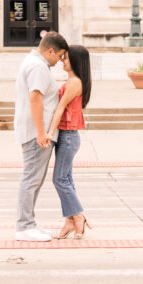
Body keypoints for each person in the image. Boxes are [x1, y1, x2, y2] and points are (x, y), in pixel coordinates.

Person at [13, 31, 69, 241]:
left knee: (34, 179)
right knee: (31, 178)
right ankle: (24, 226)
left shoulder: (34, 62)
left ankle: (28, 224)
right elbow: (35, 98)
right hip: (37, 132)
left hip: (36, 131)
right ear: (51, 51)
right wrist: (41, 133)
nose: (60, 61)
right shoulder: (38, 67)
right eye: (60, 55)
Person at [47, 44, 92, 239]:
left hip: (69, 136)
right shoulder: (73, 80)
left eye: (66, 57)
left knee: (59, 179)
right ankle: (70, 221)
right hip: (67, 135)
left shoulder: (74, 82)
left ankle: (78, 215)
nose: (62, 60)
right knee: (67, 179)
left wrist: (49, 133)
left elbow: (59, 109)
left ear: (75, 60)